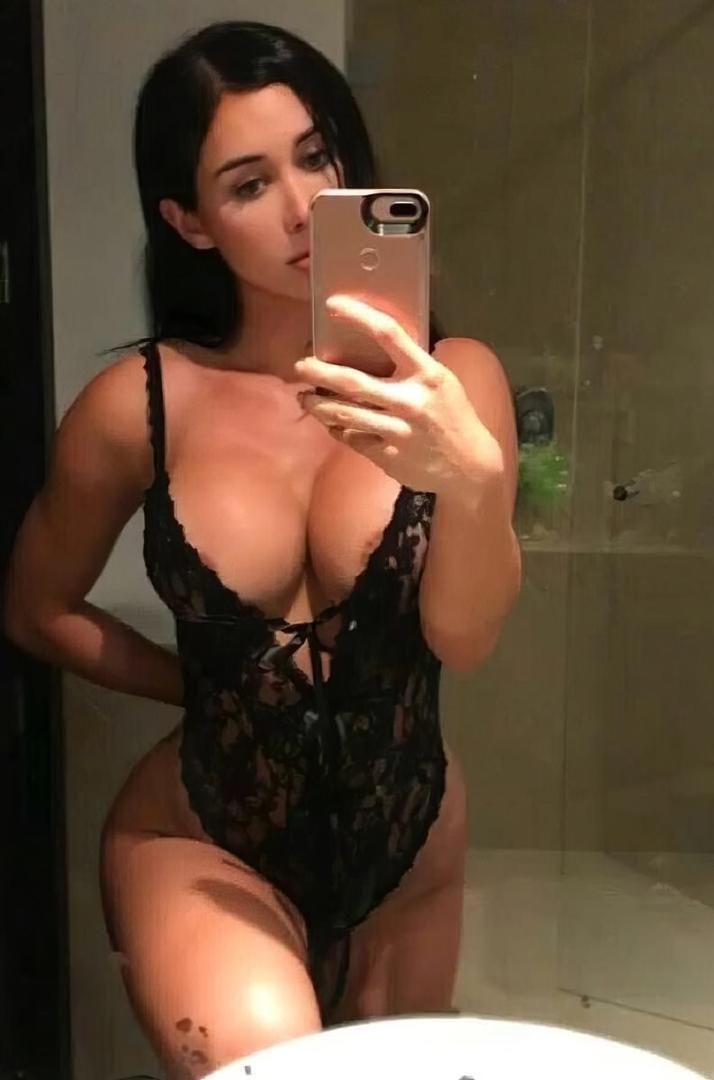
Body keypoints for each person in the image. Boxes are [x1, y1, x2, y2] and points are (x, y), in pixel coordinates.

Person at [3, 21, 520, 1080]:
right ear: (187, 221)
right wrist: (204, 686)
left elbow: (464, 640)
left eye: (317, 157)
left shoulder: (453, 379)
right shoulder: (138, 404)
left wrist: (467, 476)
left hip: (409, 843)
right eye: (248, 183)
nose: (300, 207)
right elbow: (36, 608)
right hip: (206, 836)